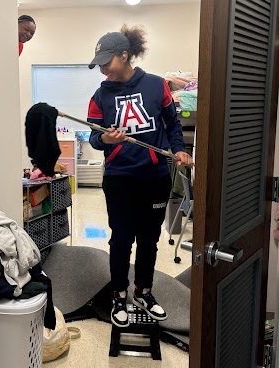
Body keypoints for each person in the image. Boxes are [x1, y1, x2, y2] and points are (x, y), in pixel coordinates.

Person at [87, 25, 193, 328]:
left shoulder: (157, 86)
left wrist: (179, 150)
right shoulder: (100, 95)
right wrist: (106, 140)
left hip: (155, 176)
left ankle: (144, 292)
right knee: (121, 240)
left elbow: (172, 124)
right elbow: (94, 137)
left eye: (107, 61)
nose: (103, 68)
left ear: (125, 55)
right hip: (120, 179)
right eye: (99, 62)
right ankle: (119, 295)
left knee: (149, 240)